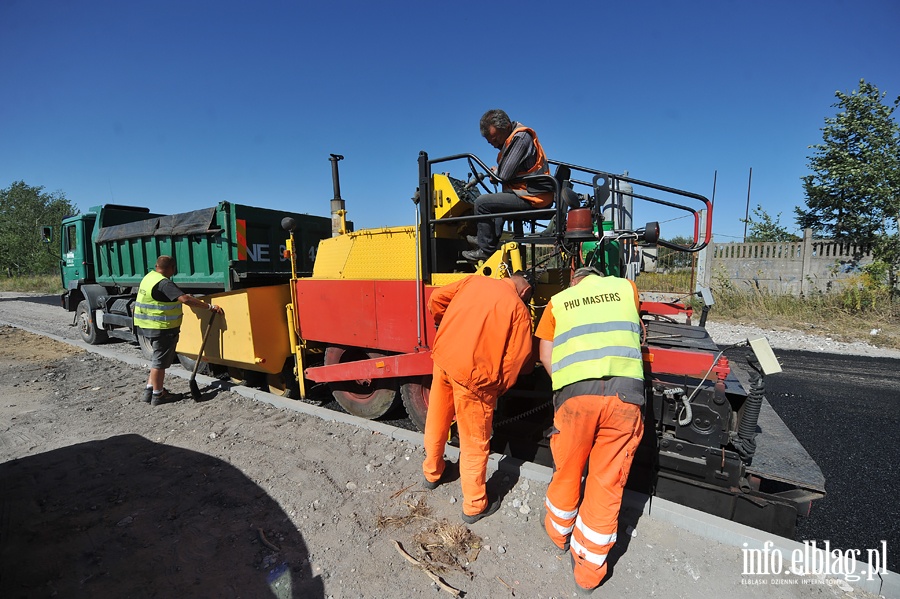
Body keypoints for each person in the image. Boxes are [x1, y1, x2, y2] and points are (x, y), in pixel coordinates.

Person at [534, 266, 645, 595]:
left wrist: (565, 384)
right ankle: (589, 572)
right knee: (606, 480)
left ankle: (558, 534)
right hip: (625, 396)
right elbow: (636, 329)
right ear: (599, 277)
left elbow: (544, 353)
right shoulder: (626, 288)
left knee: (567, 468)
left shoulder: (559, 301)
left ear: (574, 282)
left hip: (575, 397)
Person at [422, 272, 534, 523]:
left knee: (437, 419)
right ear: (525, 292)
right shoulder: (519, 310)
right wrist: (499, 387)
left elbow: (437, 298)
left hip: (444, 360)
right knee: (474, 440)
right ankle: (474, 504)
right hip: (475, 379)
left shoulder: (474, 281)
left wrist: (444, 322)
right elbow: (518, 359)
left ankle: (432, 473)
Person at [462, 109, 554, 262]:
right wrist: (498, 172)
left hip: (534, 197)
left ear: (505, 127)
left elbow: (503, 175)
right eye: (490, 142)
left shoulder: (520, 138)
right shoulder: (514, 138)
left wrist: (496, 173)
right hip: (530, 193)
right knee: (496, 203)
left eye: (495, 139)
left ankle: (485, 250)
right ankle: (485, 241)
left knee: (481, 203)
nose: (494, 144)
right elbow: (508, 172)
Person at [134, 255, 225, 406]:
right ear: (171, 268)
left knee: (157, 359)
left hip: (146, 325)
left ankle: (150, 390)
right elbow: (185, 299)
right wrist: (209, 307)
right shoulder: (164, 283)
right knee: (160, 362)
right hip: (161, 327)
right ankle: (158, 394)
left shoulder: (150, 277)